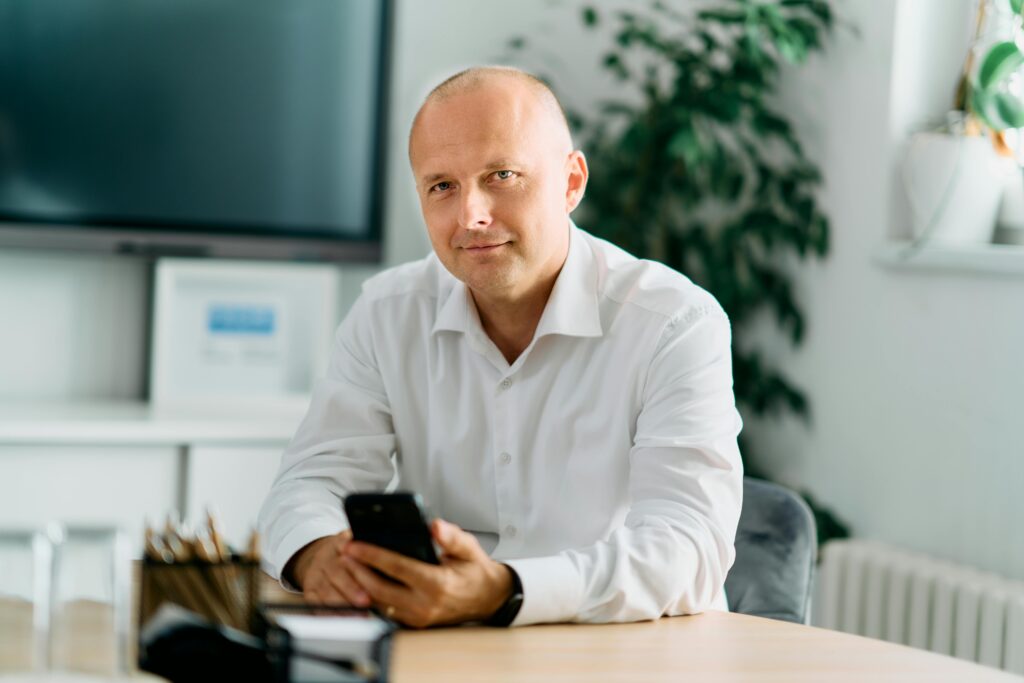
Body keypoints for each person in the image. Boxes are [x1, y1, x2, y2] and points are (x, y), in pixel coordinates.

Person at [258, 66, 743, 628]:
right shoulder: (387, 311)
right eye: (442, 186)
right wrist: (319, 555)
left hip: (622, 650)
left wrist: (506, 589)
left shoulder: (674, 322)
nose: (471, 216)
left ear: (572, 182)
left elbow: (689, 548)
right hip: (444, 649)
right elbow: (309, 482)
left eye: (502, 175)